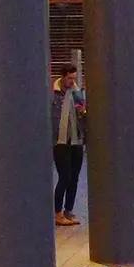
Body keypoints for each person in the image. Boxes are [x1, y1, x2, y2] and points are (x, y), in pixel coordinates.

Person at [51, 67, 85, 226]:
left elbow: (83, 108)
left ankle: (68, 210)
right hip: (60, 142)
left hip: (76, 140)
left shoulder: (76, 93)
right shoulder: (54, 94)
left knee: (75, 177)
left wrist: (78, 95)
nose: (73, 81)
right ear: (63, 77)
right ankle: (57, 212)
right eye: (70, 78)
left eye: (74, 78)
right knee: (65, 176)